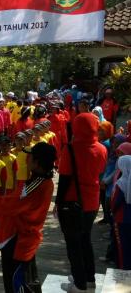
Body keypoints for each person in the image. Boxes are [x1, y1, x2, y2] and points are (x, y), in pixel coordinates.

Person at [0, 142, 56, 292]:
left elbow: (8, 205)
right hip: (21, 239)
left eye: (30, 157)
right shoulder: (40, 181)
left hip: (18, 240)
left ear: (37, 163)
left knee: (17, 283)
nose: (26, 160)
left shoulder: (35, 186)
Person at [57, 113, 108, 292]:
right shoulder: (102, 149)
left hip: (72, 202)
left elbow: (63, 179)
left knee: (73, 244)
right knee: (85, 240)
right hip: (92, 202)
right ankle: (89, 279)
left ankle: (79, 285)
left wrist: (58, 204)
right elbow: (100, 171)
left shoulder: (70, 149)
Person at [110, 155, 131, 270]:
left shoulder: (121, 182)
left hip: (121, 217)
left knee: (121, 245)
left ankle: (123, 267)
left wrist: (112, 210)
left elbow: (115, 201)